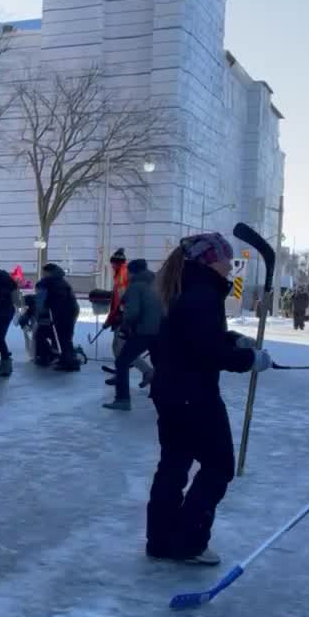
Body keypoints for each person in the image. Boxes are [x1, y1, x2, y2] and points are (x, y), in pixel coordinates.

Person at [146, 233, 272, 565]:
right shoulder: (202, 294)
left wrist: (233, 339)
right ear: (208, 261)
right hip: (193, 395)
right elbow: (205, 350)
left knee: (173, 465)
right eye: (224, 259)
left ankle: (161, 540)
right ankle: (188, 542)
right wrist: (248, 360)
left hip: (172, 391)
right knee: (218, 466)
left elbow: (191, 338)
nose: (229, 265)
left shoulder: (184, 288)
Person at [104, 258, 162, 411]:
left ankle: (122, 399)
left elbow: (132, 312)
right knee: (160, 363)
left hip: (143, 330)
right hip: (160, 330)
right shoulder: (157, 284)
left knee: (122, 361)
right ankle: (159, 394)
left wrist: (124, 326)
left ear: (133, 272)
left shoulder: (135, 287)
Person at [40, 264, 81, 371]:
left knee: (63, 337)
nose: (43, 274)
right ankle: (67, 359)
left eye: (44, 272)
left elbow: (41, 299)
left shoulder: (48, 282)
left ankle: (68, 363)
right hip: (72, 310)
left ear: (48, 272)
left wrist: (40, 312)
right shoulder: (61, 280)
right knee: (66, 337)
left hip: (62, 312)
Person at [103, 248, 130, 362]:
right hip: (121, 315)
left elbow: (120, 302)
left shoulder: (121, 276)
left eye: (113, 264)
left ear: (117, 263)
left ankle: (145, 370)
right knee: (117, 345)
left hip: (122, 316)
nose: (112, 267)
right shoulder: (123, 273)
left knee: (119, 346)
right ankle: (120, 369)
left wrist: (111, 319)